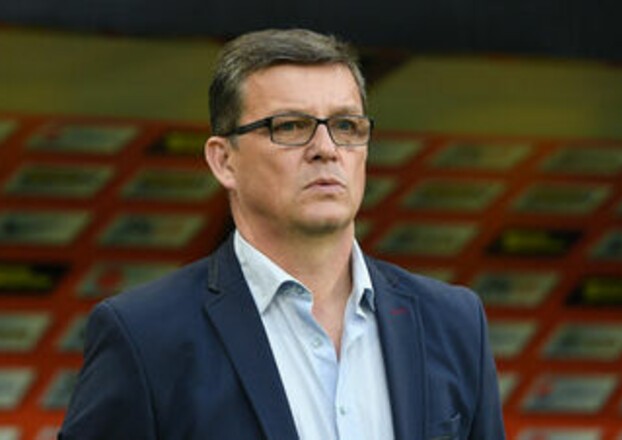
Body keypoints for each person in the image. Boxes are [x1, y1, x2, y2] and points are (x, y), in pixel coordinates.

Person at [58, 28, 505, 440]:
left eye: (346, 126)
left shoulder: (454, 322)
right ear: (224, 161)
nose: (326, 149)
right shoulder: (145, 335)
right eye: (290, 126)